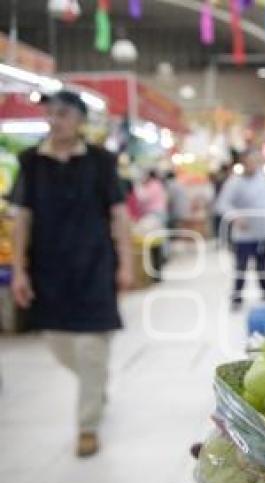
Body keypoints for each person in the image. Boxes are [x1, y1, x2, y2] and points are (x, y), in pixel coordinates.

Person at [10, 90, 133, 458]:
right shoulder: (31, 162)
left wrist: (126, 262)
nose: (54, 119)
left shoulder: (101, 161)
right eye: (50, 113)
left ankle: (87, 425)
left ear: (80, 119)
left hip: (95, 266)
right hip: (49, 270)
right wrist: (19, 271)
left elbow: (119, 214)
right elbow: (21, 219)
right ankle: (94, 384)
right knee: (61, 346)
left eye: (62, 113)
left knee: (92, 348)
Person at [216, 150, 265, 309]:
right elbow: (221, 205)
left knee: (263, 264)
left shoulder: (263, 180)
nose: (252, 165)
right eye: (249, 162)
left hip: (263, 231)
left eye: (255, 161)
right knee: (241, 266)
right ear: (243, 163)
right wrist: (236, 217)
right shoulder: (234, 183)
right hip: (244, 235)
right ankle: (237, 296)